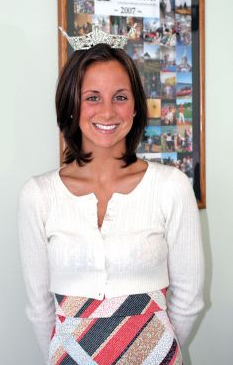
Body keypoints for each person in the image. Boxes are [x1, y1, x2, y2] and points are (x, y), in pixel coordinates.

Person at [18, 33, 204, 364]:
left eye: (120, 97)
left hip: (155, 354)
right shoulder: (39, 195)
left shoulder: (170, 186)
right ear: (71, 104)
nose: (107, 111)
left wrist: (151, 346)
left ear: (135, 107)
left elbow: (189, 298)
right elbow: (38, 307)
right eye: (92, 97)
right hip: (70, 356)